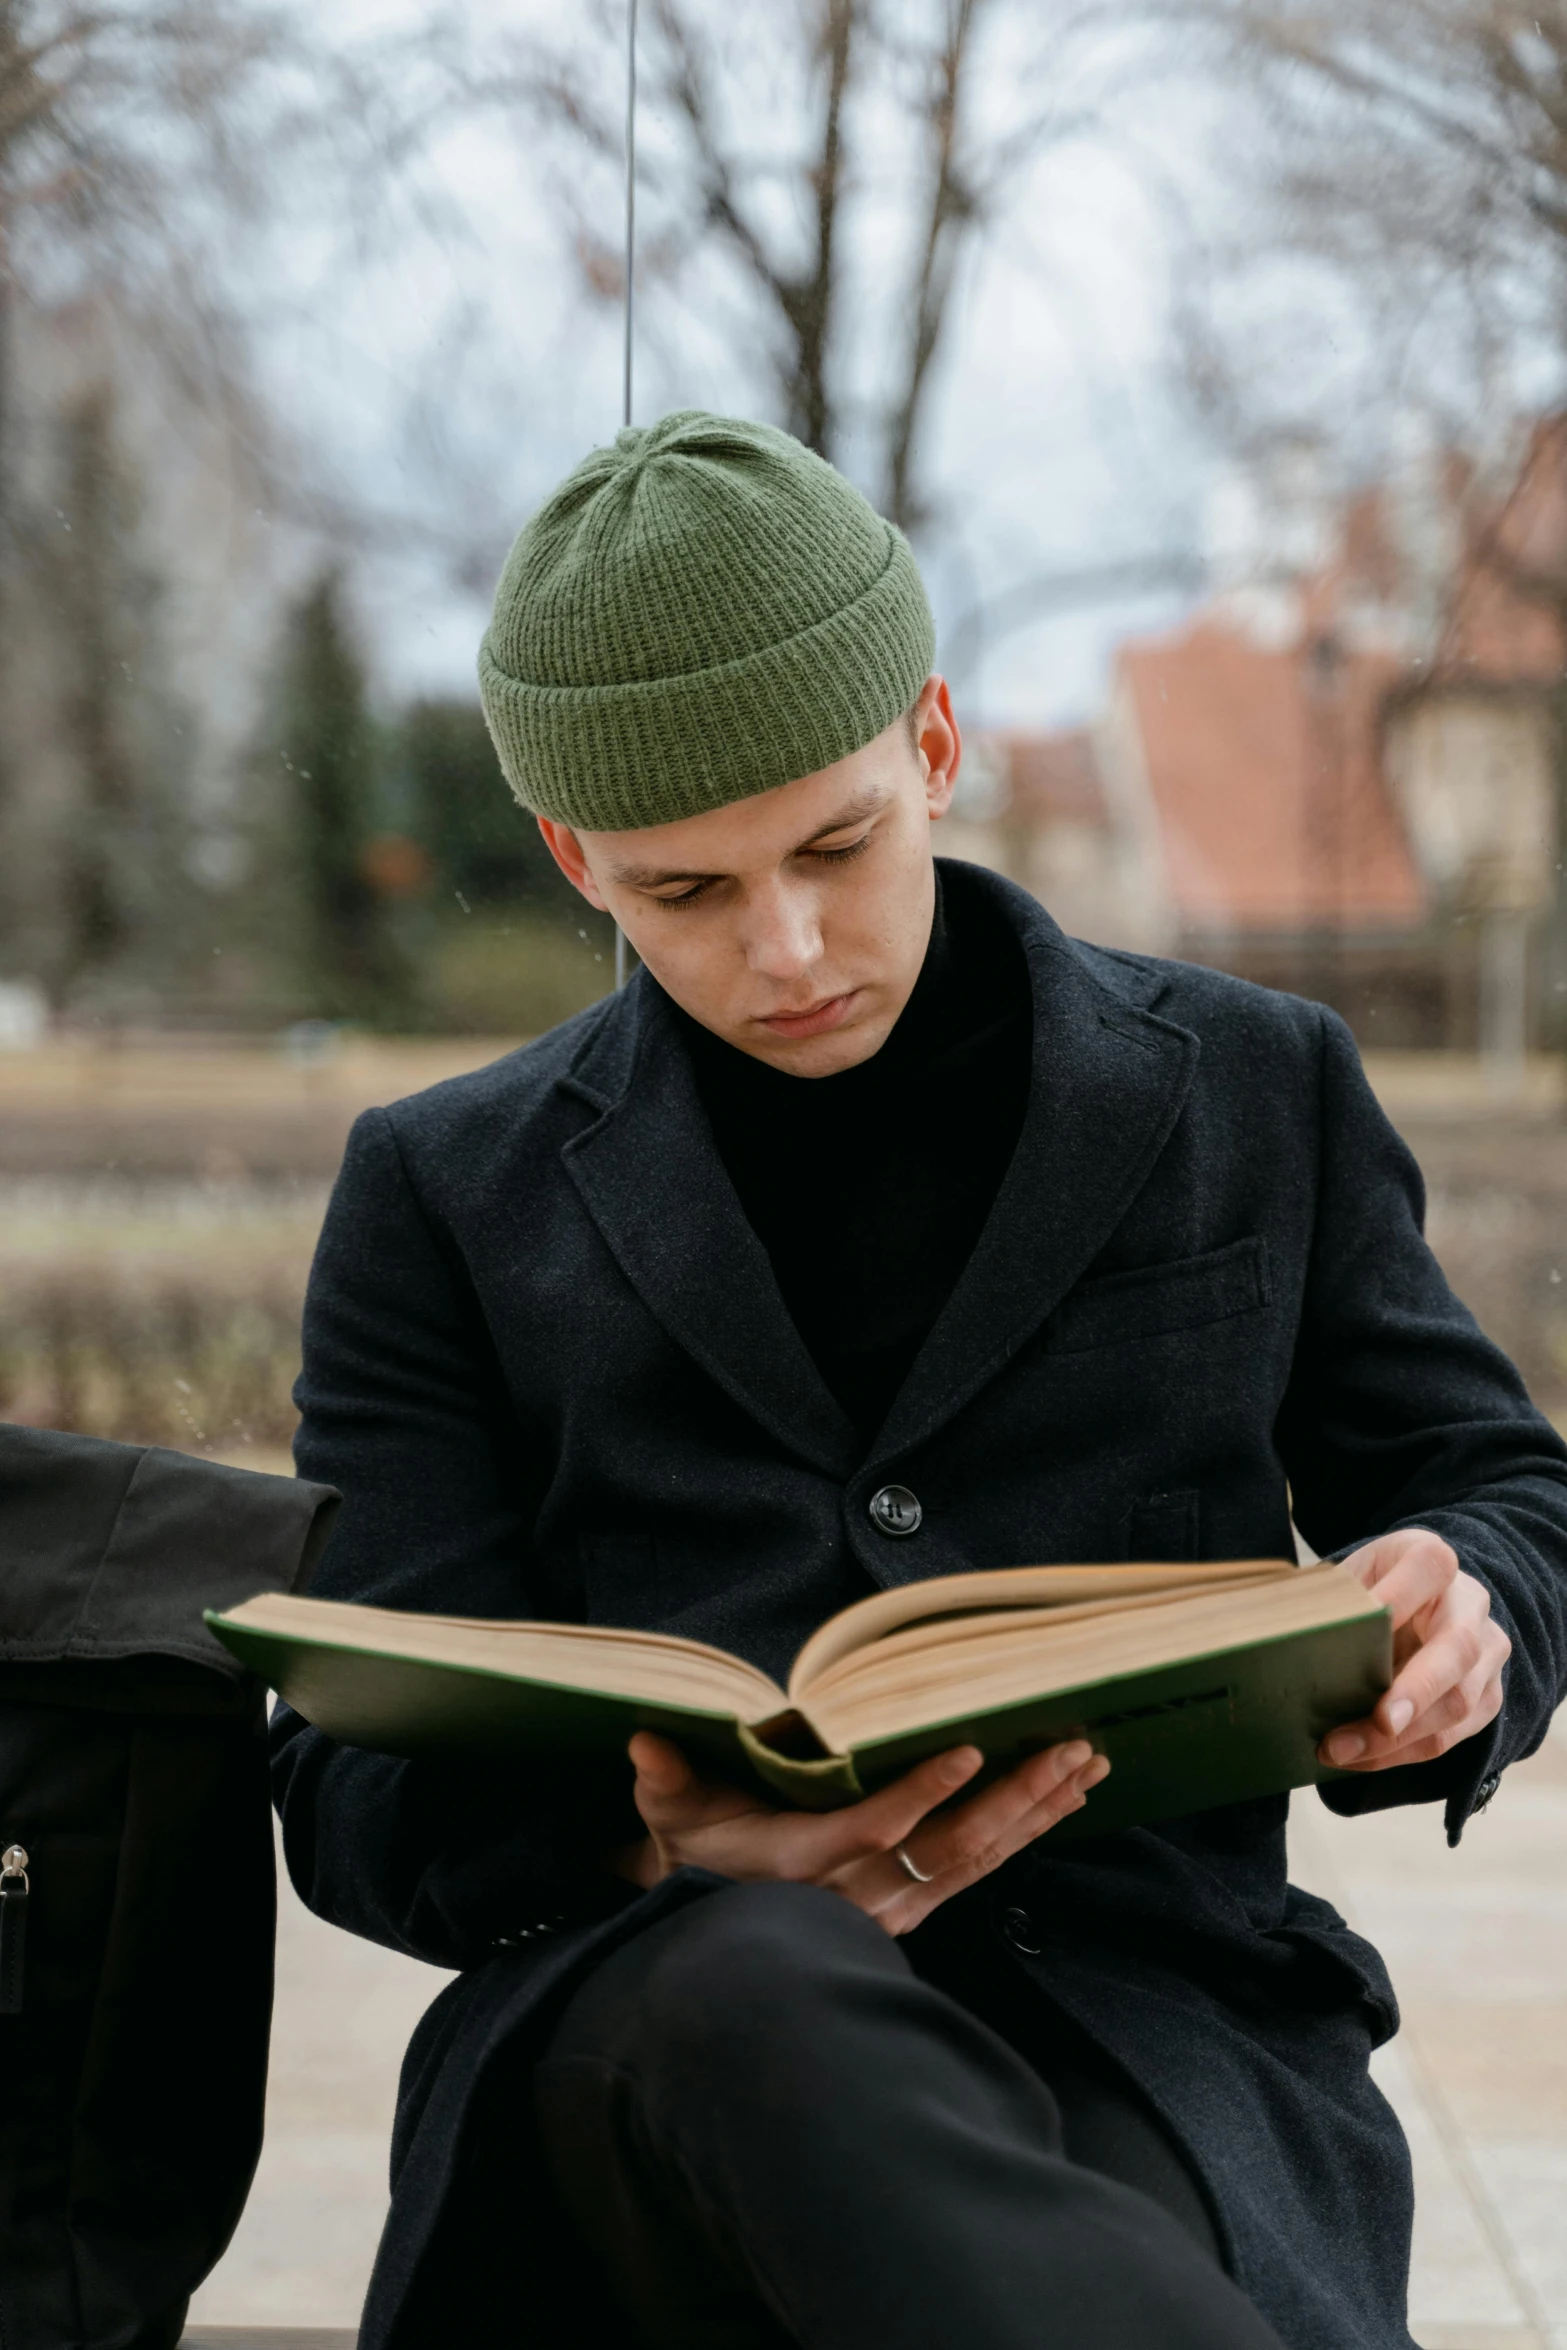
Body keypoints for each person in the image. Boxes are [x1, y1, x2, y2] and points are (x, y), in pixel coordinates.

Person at [271, 410, 1567, 2350]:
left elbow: (1499, 1485)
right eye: (682, 892)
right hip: (647, 2024)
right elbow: (348, 1769)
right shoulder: (441, 1193)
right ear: (571, 857)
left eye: (835, 843)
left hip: (1153, 2011)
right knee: (745, 1980)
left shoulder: (1251, 1087)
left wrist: (1468, 1620)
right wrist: (649, 1841)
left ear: (935, 745)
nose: (784, 946)